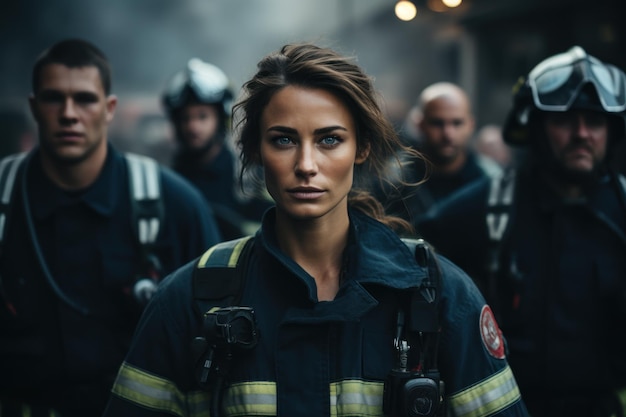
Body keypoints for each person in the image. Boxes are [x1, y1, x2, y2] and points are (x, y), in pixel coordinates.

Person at [103, 42, 528, 417]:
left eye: (329, 140)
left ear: (361, 148)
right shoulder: (190, 299)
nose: (306, 165)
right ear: (255, 150)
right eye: (284, 140)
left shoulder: (439, 295)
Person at [0, 38, 223, 417]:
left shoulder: (174, 205)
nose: (69, 114)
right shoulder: (6, 200)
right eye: (54, 98)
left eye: (85, 99)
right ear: (35, 108)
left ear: (109, 108)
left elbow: (220, 336)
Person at [417, 46, 626, 416]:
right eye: (564, 120)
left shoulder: (621, 211)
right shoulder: (481, 209)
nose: (581, 134)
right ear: (535, 127)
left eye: (594, 121)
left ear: (612, 129)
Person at [162, 58, 273, 240]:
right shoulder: (166, 181)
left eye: (202, 116)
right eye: (185, 118)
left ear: (221, 119)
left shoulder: (248, 179)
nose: (193, 127)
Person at [378, 82, 502, 227]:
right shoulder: (395, 181)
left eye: (457, 123)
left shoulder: (491, 180)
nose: (448, 134)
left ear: (470, 125)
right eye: (438, 123)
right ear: (420, 125)